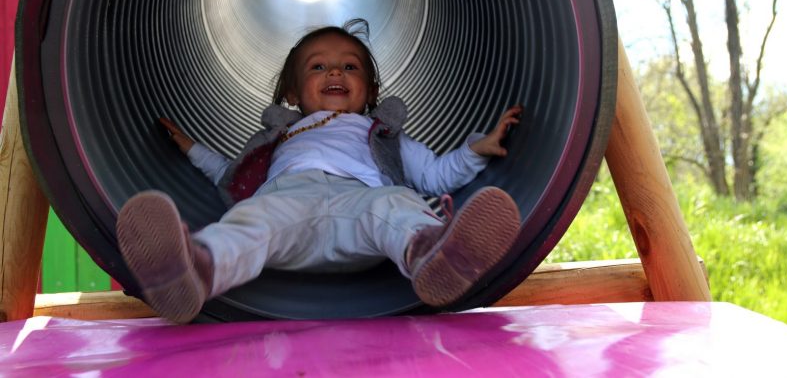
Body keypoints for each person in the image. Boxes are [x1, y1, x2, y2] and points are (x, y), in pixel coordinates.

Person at [116, 19, 523, 324]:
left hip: (361, 208)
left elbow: (434, 176)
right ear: (292, 94)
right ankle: (195, 269)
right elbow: (230, 174)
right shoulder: (282, 135)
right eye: (318, 68)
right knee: (250, 220)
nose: (335, 73)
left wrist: (476, 149)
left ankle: (431, 254)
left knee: (397, 203)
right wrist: (191, 147)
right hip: (288, 207)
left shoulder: (380, 134)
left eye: (350, 67)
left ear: (371, 92)